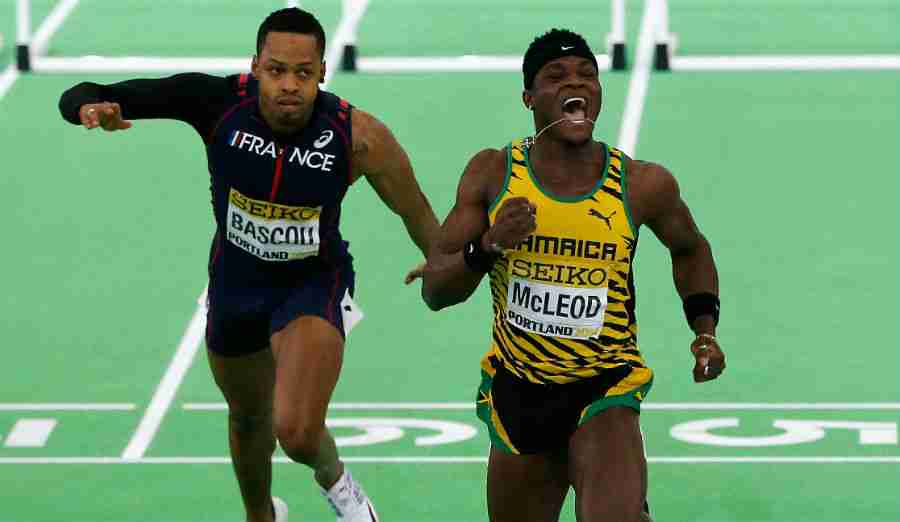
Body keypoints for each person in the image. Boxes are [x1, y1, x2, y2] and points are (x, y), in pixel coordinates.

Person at [59, 8, 439, 522]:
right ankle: (262, 514)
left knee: (299, 430)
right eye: (277, 70)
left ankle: (340, 486)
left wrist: (444, 262)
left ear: (322, 72)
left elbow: (415, 208)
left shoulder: (357, 135)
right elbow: (82, 91)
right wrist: (89, 107)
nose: (289, 85)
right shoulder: (216, 103)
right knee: (248, 418)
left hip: (312, 284)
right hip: (235, 285)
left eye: (303, 73)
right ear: (255, 66)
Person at [420, 29, 726, 522]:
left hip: (605, 386)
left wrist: (704, 330)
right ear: (528, 97)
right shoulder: (493, 174)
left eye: (587, 74)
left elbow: (690, 248)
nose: (575, 82)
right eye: (555, 76)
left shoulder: (642, 184)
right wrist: (490, 245)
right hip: (520, 392)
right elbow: (436, 289)